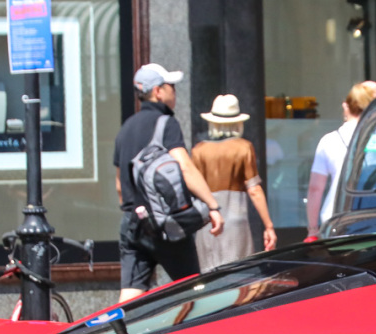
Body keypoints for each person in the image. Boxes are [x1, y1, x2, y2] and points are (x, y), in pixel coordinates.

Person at [113, 63, 223, 302]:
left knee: (130, 295)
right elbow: (185, 166)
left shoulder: (125, 129)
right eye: (171, 86)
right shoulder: (166, 124)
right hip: (165, 224)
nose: (175, 91)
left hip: (133, 223)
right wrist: (212, 206)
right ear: (158, 92)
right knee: (193, 290)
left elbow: (120, 185)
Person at [190, 94, 277, 271]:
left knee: (208, 276)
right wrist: (268, 226)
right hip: (236, 221)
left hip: (207, 223)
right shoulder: (243, 147)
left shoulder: (198, 151)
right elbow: (254, 190)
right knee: (238, 276)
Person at [306, 81, 376, 238]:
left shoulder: (329, 141)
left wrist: (312, 229)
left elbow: (315, 188)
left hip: (335, 218)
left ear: (345, 106)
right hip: (374, 216)